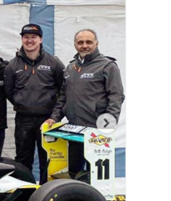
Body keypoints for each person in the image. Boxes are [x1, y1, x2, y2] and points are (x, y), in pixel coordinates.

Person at [45, 29, 125, 175]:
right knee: (74, 172)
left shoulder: (107, 66)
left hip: (96, 131)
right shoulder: (71, 67)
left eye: (89, 42)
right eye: (80, 42)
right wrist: (54, 118)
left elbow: (116, 96)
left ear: (96, 43)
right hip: (73, 130)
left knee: (95, 176)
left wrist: (108, 123)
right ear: (75, 45)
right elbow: (63, 97)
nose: (84, 46)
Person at [4, 23, 64, 183]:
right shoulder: (12, 65)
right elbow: (9, 92)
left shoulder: (54, 63)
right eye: (26, 37)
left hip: (47, 121)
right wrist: (23, 103)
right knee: (23, 159)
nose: (29, 40)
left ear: (41, 39)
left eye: (33, 37)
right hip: (23, 120)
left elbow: (63, 92)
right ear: (22, 39)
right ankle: (26, 193)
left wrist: (54, 116)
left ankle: (46, 193)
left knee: (48, 159)